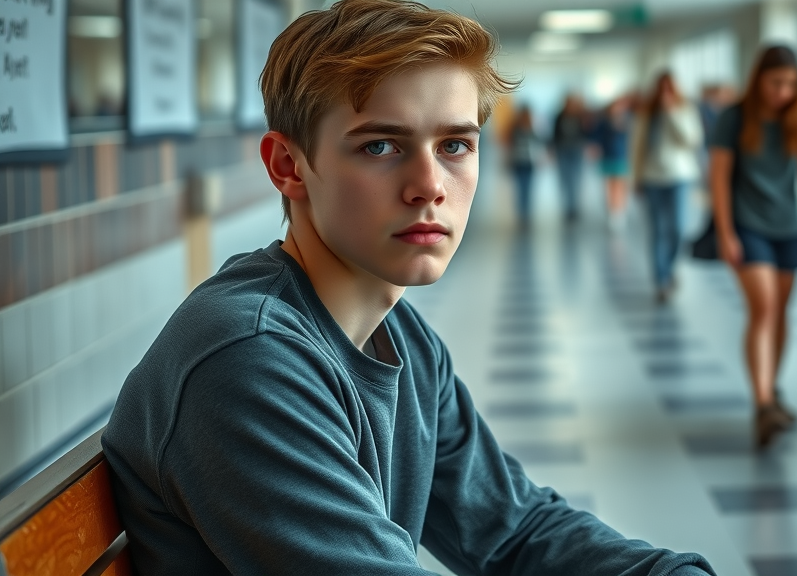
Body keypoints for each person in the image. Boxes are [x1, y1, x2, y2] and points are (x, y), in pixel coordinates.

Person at [100, 1, 716, 575]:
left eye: (454, 145)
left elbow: (512, 529)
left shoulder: (398, 337)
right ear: (288, 167)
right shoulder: (247, 361)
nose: (430, 185)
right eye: (381, 145)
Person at [708, 45, 797, 449]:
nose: (784, 91)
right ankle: (763, 403)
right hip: (748, 226)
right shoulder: (734, 117)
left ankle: (772, 389)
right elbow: (718, 178)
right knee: (763, 308)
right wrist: (726, 233)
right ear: (759, 79)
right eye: (776, 82)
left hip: (788, 227)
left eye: (791, 84)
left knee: (781, 311)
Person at [635, 73, 704, 303]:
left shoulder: (686, 110)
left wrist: (671, 113)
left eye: (669, 89)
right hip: (652, 177)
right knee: (657, 230)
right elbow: (637, 147)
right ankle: (661, 279)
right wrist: (636, 178)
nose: (664, 94)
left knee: (678, 228)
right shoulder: (646, 114)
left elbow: (691, 140)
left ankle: (671, 266)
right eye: (660, 89)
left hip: (679, 176)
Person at [593, 94, 634, 230]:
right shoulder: (604, 122)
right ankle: (612, 212)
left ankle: (620, 212)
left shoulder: (628, 121)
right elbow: (597, 138)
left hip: (622, 158)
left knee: (621, 186)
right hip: (608, 158)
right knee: (610, 187)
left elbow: (633, 140)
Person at [552, 94, 589, 222]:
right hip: (562, 151)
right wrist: (552, 150)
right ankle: (567, 207)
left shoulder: (579, 117)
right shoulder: (559, 116)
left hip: (576, 151)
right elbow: (555, 134)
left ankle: (574, 208)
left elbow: (585, 132)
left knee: (576, 180)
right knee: (565, 180)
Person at [506, 105, 539, 228]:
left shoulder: (531, 128)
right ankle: (522, 215)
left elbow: (538, 141)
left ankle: (526, 215)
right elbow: (509, 144)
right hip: (519, 162)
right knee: (521, 189)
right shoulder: (515, 129)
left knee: (528, 189)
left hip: (529, 162)